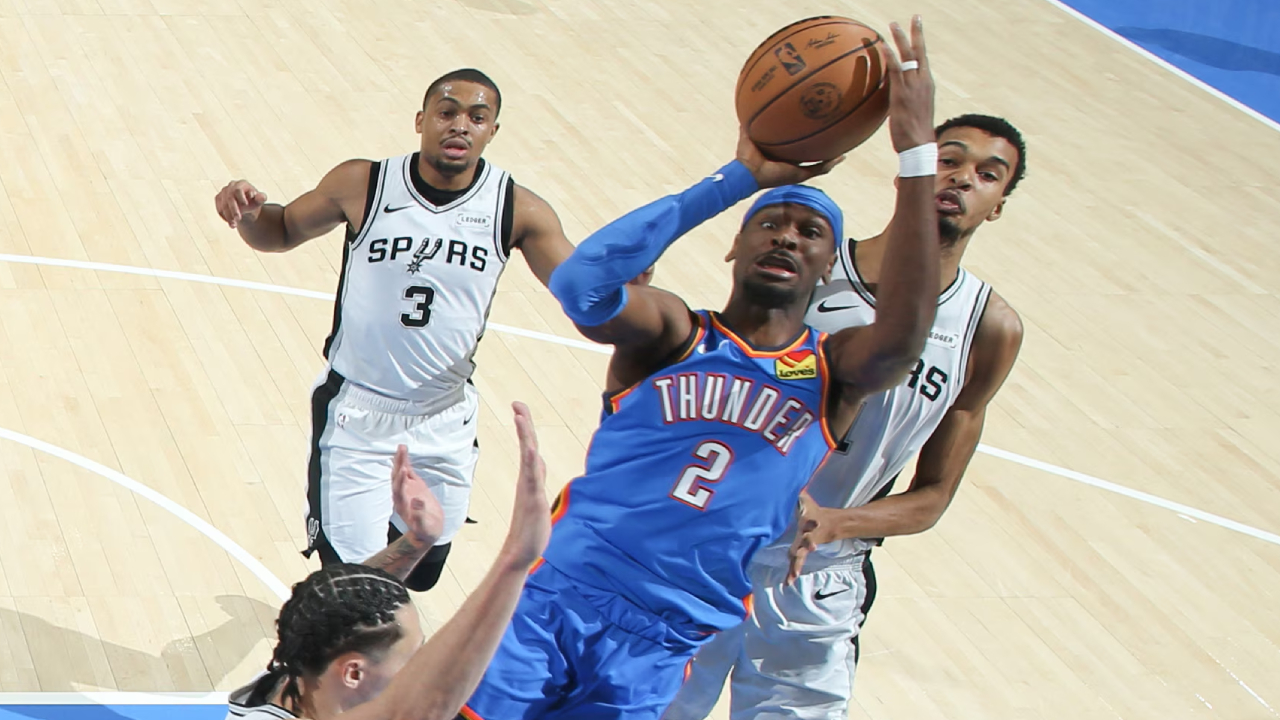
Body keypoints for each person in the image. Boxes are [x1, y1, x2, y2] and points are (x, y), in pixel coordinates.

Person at [459, 17, 939, 720]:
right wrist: (740, 176)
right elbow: (579, 285)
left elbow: (903, 336)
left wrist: (917, 158)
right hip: (558, 594)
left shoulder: (833, 373)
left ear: (830, 264)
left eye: (810, 232)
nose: (785, 236)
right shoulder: (673, 331)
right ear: (734, 246)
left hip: (665, 639)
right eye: (768, 221)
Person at [662, 113, 1028, 720]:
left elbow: (933, 496)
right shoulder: (812, 262)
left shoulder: (989, 329)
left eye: (987, 175)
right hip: (712, 547)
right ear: (909, 171)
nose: (962, 179)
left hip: (819, 581)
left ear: (996, 207)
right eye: (948, 159)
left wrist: (836, 521)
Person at [213, 68, 573, 592]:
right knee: (353, 591)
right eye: (447, 112)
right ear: (421, 120)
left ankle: (371, 613)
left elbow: (578, 289)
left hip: (444, 415)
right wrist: (246, 214)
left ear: (492, 131)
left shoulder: (516, 208)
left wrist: (620, 279)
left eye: (478, 117)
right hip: (358, 410)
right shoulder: (364, 183)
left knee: (421, 574)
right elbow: (283, 228)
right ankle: (329, 652)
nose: (460, 126)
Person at [226, 401, 550, 720]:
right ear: (353, 673)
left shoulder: (303, 675)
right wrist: (516, 559)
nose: (422, 664)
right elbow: (423, 710)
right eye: (410, 657)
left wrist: (417, 539)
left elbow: (337, 610)